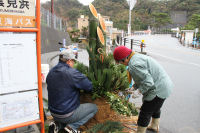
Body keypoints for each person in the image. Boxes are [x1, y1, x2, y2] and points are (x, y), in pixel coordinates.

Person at [113, 46, 173, 133]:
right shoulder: (135, 57)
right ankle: (154, 126)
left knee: (145, 112)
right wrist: (133, 87)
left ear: (125, 59)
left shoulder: (134, 64)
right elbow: (141, 77)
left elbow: (148, 82)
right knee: (155, 107)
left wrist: (139, 91)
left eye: (121, 62)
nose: (122, 64)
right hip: (164, 85)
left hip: (158, 88)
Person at [46, 49, 97, 133]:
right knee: (94, 108)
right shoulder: (72, 73)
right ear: (69, 61)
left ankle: (57, 125)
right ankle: (71, 128)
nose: (73, 64)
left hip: (53, 113)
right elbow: (89, 86)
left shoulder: (51, 72)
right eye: (73, 62)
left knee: (64, 109)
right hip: (66, 115)